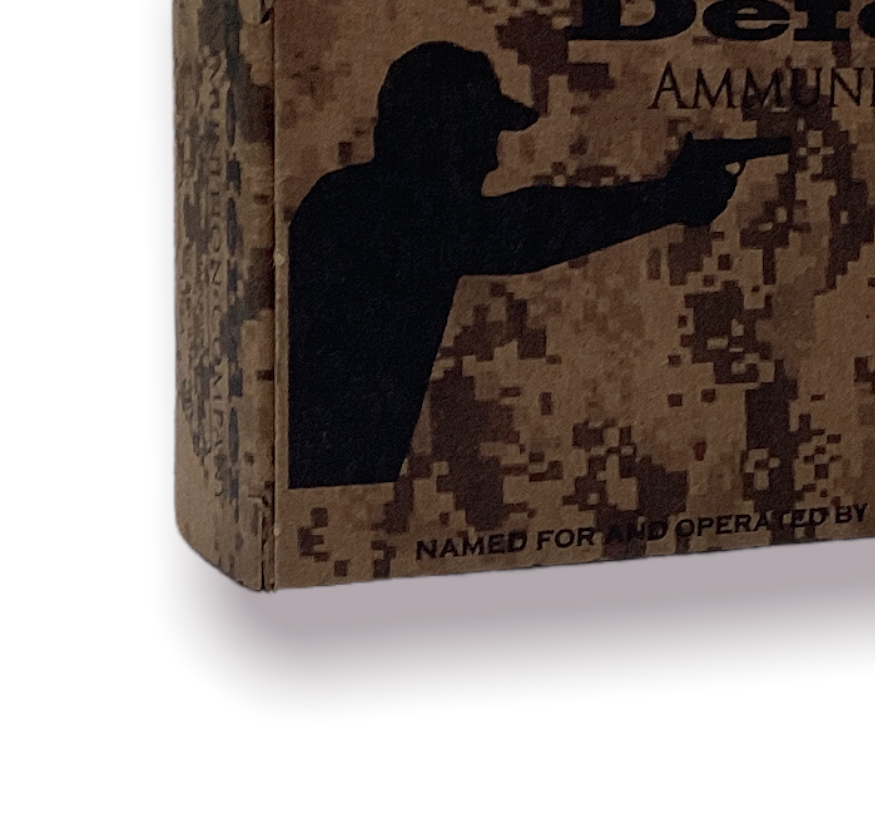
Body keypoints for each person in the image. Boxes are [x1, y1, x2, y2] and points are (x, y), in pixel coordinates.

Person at [288, 41, 750, 488]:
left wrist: (667, 197)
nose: (490, 161)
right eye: (480, 137)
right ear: (441, 136)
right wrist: (666, 199)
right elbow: (521, 229)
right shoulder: (360, 210)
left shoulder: (351, 203)